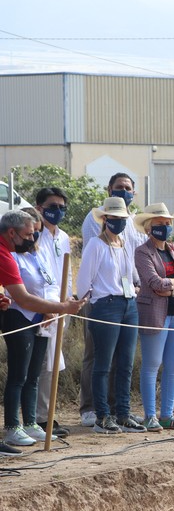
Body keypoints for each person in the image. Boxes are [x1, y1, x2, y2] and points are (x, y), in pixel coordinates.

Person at [2, 208, 83, 450]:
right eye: (29, 233)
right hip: (21, 318)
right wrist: (62, 307)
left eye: (36, 232)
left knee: (34, 375)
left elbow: (49, 283)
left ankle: (30, 422)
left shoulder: (35, 253)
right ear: (12, 232)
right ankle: (12, 427)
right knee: (19, 375)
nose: (33, 237)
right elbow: (22, 297)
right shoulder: (9, 255)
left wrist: (52, 309)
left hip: (43, 318)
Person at [79, 172, 145, 427]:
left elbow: (133, 272)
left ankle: (123, 413)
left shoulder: (126, 242)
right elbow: (85, 281)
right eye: (114, 218)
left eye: (122, 219)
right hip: (104, 305)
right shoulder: (96, 244)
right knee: (100, 361)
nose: (118, 222)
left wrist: (136, 287)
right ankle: (100, 414)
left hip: (128, 304)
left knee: (125, 363)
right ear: (105, 219)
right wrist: (95, 300)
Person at [133, 203, 174, 432]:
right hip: (154, 314)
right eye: (160, 223)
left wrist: (172, 289)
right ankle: (150, 415)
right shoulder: (142, 252)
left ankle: (168, 414)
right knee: (152, 365)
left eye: (168, 223)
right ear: (149, 226)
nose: (165, 227)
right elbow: (154, 283)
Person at [33, 187, 73, 437]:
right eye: (52, 206)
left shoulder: (64, 237)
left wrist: (67, 301)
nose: (57, 211)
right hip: (43, 308)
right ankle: (35, 417)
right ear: (39, 208)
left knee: (53, 364)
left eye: (61, 207)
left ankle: (47, 416)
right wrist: (49, 306)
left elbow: (65, 273)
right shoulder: (35, 236)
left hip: (63, 306)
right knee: (40, 364)